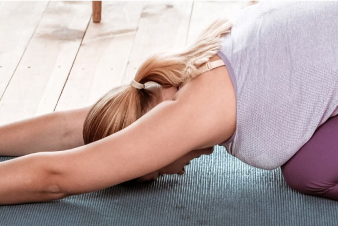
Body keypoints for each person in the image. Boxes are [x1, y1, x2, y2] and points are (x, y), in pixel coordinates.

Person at [0, 0, 338, 205]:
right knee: (308, 169)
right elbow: (65, 130)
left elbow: (55, 177)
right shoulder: (192, 71)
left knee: (307, 172)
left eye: (151, 172)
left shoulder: (199, 108)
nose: (161, 175)